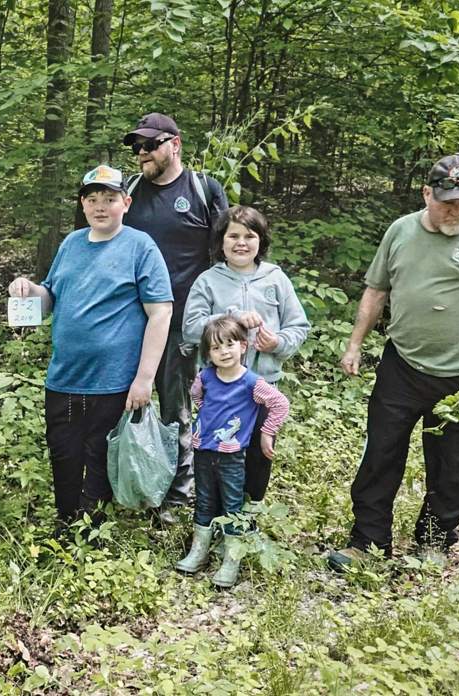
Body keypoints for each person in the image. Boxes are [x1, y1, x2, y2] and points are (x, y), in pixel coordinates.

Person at [329, 154, 459, 571]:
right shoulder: (400, 232)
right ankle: (368, 543)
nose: (458, 210)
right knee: (380, 455)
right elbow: (376, 290)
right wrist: (354, 344)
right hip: (401, 365)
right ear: (427, 194)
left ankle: (433, 543)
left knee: (451, 465)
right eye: (448, 202)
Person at [8, 164, 173, 531]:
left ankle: (94, 529)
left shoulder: (140, 247)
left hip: (114, 381)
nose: (101, 206)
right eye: (93, 199)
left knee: (101, 456)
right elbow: (49, 298)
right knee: (64, 454)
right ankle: (67, 523)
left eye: (110, 199)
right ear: (83, 205)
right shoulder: (71, 244)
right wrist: (28, 289)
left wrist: (144, 379)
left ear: (126, 203)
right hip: (64, 377)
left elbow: (160, 313)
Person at [122, 113, 230, 518]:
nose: (142, 153)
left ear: (175, 144)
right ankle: (131, 479)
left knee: (176, 407)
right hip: (129, 318)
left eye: (150, 145)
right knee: (127, 400)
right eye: (137, 147)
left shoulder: (203, 190)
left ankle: (176, 492)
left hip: (183, 321)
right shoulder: (128, 191)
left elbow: (226, 254)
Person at [182, 205, 309, 502]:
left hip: (261, 385)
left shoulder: (275, 279)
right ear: (221, 242)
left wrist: (277, 343)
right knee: (216, 454)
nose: (241, 243)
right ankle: (211, 518)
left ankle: (247, 520)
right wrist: (231, 318)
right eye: (233, 236)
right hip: (220, 389)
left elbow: (299, 325)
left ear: (261, 242)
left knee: (257, 454)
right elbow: (190, 328)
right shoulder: (208, 281)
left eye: (249, 236)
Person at [176, 316, 289, 588]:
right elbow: (197, 398)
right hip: (203, 451)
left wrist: (265, 432)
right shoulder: (205, 377)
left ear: (243, 346)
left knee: (232, 504)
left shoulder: (251, 382)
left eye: (229, 345)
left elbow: (280, 404)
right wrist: (202, 424)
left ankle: (232, 558)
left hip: (232, 456)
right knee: (204, 500)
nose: (224, 352)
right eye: (216, 348)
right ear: (208, 354)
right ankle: (199, 551)